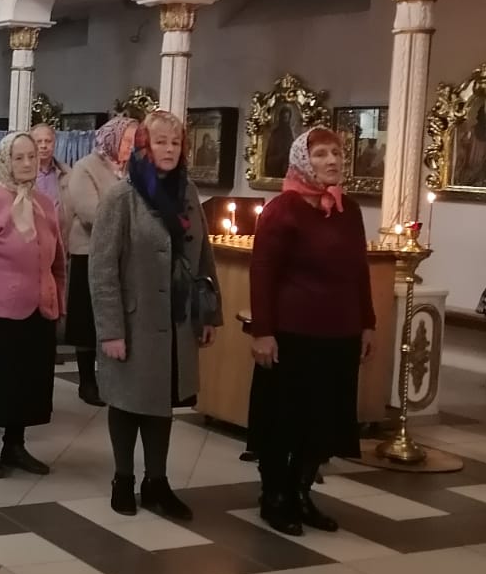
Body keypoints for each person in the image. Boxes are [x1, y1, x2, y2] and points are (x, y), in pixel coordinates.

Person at [90, 111, 221, 521]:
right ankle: (123, 479)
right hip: (135, 320)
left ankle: (157, 482)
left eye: (176, 142)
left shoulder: (187, 193)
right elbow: (102, 268)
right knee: (129, 402)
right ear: (145, 146)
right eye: (161, 141)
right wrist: (111, 329)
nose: (169, 149)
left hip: (176, 318)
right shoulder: (123, 197)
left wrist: (208, 314)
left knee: (161, 402)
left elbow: (203, 254)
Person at [249, 127, 375, 535]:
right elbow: (262, 273)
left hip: (340, 334)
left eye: (336, 152)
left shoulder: (347, 209)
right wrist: (263, 331)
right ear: (303, 160)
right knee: (285, 419)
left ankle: (301, 492)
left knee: (323, 420)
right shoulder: (282, 210)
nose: (332, 160)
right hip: (293, 335)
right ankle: (274, 496)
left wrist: (367, 322)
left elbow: (359, 271)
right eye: (321, 154)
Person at [0, 132, 65, 479]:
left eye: (32, 156)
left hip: (38, 309)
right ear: (5, 161)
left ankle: (15, 445)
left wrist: (59, 302)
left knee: (27, 380)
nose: (27, 163)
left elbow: (58, 262)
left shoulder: (45, 203)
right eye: (19, 157)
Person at [60, 116, 137, 405]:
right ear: (111, 139)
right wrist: (130, 224)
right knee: (87, 321)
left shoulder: (131, 170)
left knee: (115, 318)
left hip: (123, 255)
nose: (131, 146)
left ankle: (112, 379)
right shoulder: (86, 167)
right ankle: (87, 382)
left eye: (134, 141)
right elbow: (90, 212)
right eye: (127, 140)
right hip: (89, 252)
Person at [30, 122, 67, 209]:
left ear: (54, 143)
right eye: (38, 142)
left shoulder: (67, 173)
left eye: (48, 141)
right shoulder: (20, 174)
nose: (43, 146)